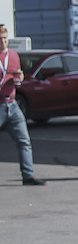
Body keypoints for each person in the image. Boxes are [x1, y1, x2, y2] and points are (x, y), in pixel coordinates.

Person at [0, 24, 46, 186]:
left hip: (12, 104)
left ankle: (28, 175)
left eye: (5, 39)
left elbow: (18, 78)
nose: (3, 42)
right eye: (0, 39)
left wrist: (19, 78)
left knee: (24, 141)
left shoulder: (13, 55)